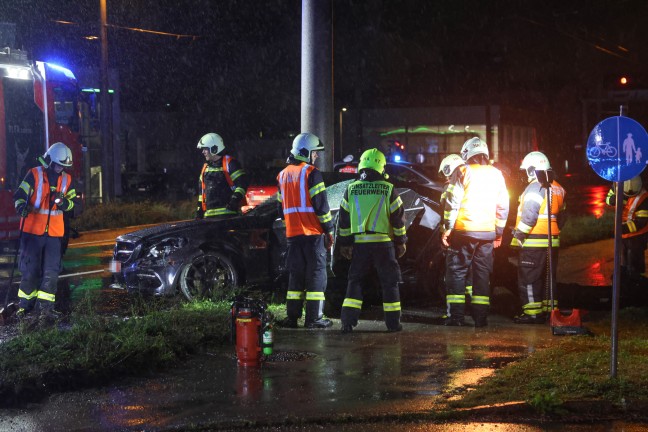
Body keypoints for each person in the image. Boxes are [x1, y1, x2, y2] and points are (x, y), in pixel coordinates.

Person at [441, 137, 509, 327]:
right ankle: (481, 318)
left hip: (464, 232)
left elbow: (452, 203)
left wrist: (447, 228)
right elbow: (503, 205)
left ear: (466, 154)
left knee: (457, 272)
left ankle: (456, 318)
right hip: (487, 234)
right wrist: (499, 232)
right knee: (482, 275)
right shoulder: (497, 174)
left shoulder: (463, 171)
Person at [338, 148, 407, 333]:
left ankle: (347, 323)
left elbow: (343, 221)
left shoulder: (351, 189)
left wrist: (345, 244)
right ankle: (393, 324)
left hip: (360, 244)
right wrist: (401, 241)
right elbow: (398, 219)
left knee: (355, 282)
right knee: (389, 283)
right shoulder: (389, 188)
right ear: (381, 167)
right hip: (384, 245)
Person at [13, 142, 78, 325]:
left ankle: (46, 310)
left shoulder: (67, 180)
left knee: (51, 272)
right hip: (32, 232)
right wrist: (21, 208)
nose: (60, 169)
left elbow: (75, 205)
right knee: (30, 270)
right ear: (49, 161)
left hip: (54, 235)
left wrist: (66, 204)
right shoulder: (34, 174)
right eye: (58, 165)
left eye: (64, 167)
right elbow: (19, 195)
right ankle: (25, 306)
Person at [277, 132, 334, 329]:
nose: (316, 157)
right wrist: (329, 229)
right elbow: (321, 207)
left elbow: (279, 208)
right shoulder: (311, 173)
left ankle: (291, 318)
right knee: (316, 275)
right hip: (312, 234)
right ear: (305, 152)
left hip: (293, 235)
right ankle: (314, 319)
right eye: (315, 153)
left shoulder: (282, 175)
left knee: (296, 276)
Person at [511, 151, 567, 324]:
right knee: (547, 279)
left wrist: (517, 236)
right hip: (552, 241)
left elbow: (529, 216)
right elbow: (563, 215)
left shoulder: (536, 186)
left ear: (532, 170)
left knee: (529, 278)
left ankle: (532, 313)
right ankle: (549, 313)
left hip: (533, 241)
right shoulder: (558, 187)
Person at [438, 154, 472, 320]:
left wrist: (446, 230)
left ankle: (455, 315)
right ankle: (475, 311)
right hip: (474, 233)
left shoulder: (450, 186)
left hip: (456, 234)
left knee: (454, 275)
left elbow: (446, 209)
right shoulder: (472, 184)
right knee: (471, 275)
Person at [195, 132, 249, 219]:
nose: (203, 152)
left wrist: (234, 201)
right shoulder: (205, 168)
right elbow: (202, 193)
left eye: (205, 149)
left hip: (228, 217)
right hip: (208, 218)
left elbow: (242, 184)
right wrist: (199, 211)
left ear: (214, 148)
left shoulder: (230, 164)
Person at [605, 175, 648, 280]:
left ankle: (636, 279)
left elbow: (641, 222)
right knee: (623, 256)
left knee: (634, 259)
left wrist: (622, 228)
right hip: (623, 233)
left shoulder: (644, 197)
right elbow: (608, 199)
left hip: (638, 236)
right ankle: (625, 276)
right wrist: (612, 200)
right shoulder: (618, 185)